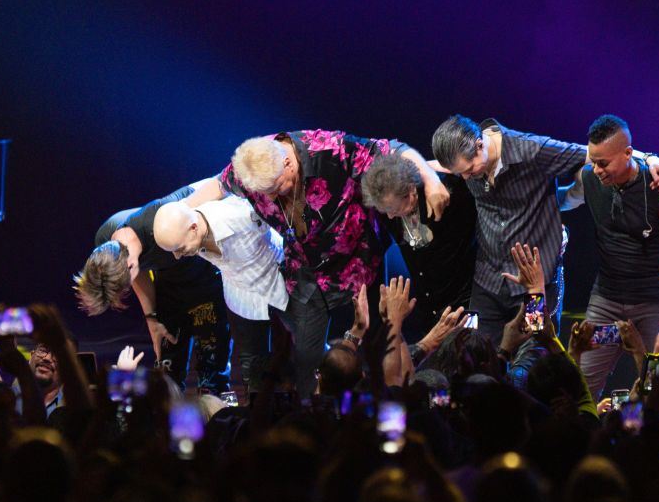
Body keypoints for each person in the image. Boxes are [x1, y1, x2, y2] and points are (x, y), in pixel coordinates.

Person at [182, 130, 448, 397]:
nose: (272, 198)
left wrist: (431, 179)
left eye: (276, 187)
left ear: (288, 162)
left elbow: (394, 148)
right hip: (305, 271)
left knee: (378, 348)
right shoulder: (250, 167)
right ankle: (318, 417)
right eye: (265, 193)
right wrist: (182, 210)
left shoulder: (327, 149)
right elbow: (218, 185)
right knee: (307, 361)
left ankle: (381, 413)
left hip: (359, 263)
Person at [431, 114, 659, 340]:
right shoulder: (466, 163)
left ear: (479, 145)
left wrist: (650, 158)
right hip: (487, 285)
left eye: (469, 170)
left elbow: (594, 155)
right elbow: (407, 155)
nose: (466, 177)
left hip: (536, 287)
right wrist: (426, 176)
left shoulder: (532, 150)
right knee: (474, 352)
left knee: (533, 352)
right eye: (460, 173)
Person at [557, 114, 659, 397]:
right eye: (593, 162)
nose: (596, 170)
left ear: (629, 154)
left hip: (654, 302)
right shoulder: (591, 178)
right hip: (607, 300)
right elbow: (563, 198)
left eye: (603, 163)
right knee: (580, 388)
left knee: (657, 392)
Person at [74, 183, 230, 391]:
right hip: (168, 286)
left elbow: (213, 185)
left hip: (203, 281)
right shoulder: (108, 241)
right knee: (167, 373)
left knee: (211, 373)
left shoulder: (162, 215)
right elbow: (138, 276)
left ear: (130, 266)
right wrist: (151, 319)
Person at [152, 196, 288, 395]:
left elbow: (283, 219)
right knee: (252, 366)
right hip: (242, 296)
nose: (177, 256)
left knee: (297, 357)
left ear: (193, 228)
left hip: (278, 282)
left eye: (179, 249)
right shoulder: (190, 233)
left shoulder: (240, 216)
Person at [359, 153, 477, 340]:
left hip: (479, 295)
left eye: (395, 210)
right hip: (436, 306)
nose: (390, 216)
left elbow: (474, 169)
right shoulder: (393, 208)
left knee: (531, 336)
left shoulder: (456, 195)